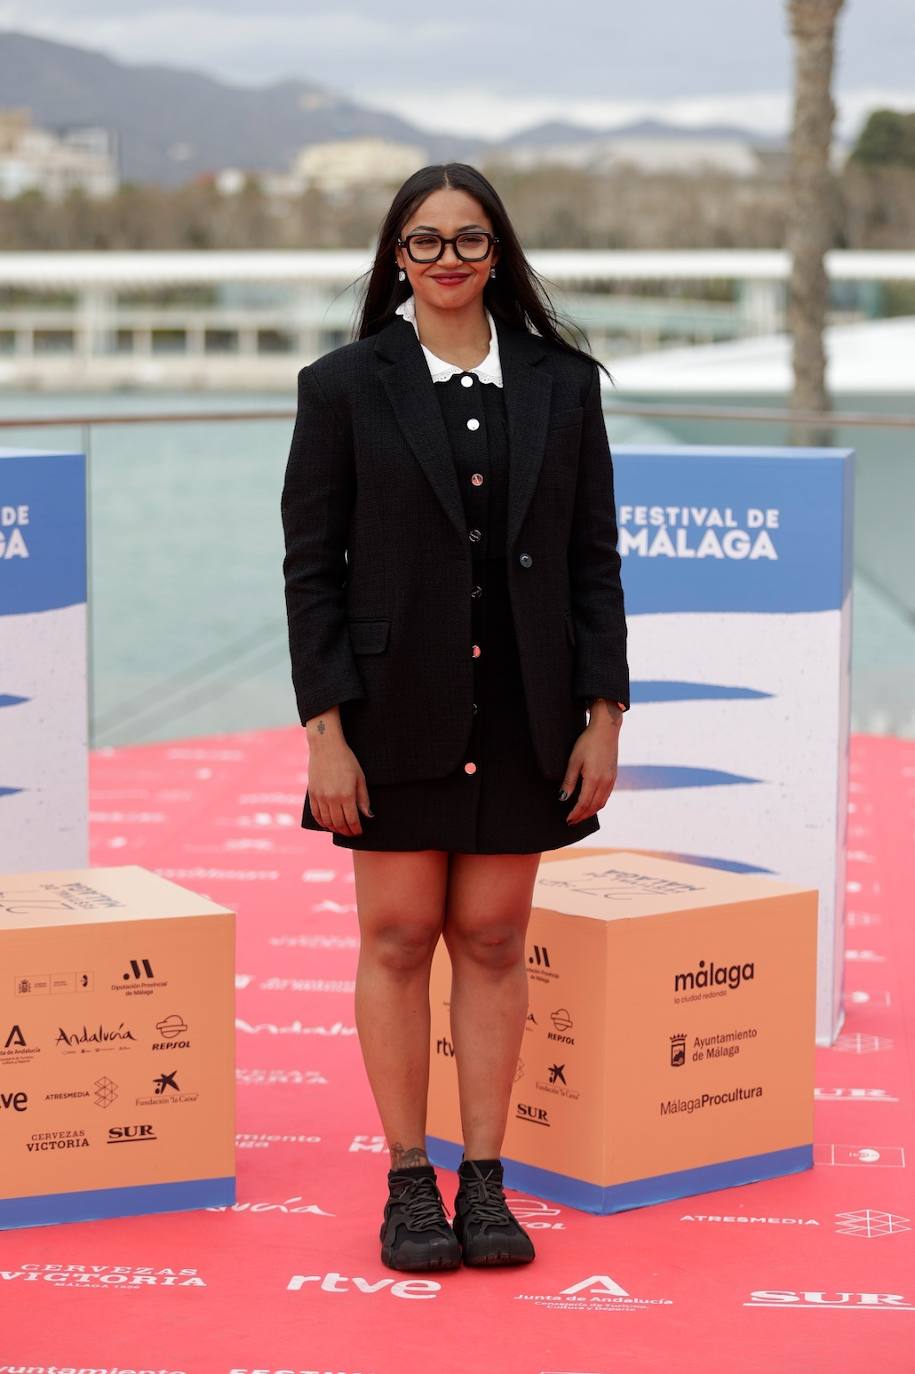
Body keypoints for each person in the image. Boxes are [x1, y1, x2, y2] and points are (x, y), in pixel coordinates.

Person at [280, 163, 629, 1273]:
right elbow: (311, 572)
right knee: (395, 938)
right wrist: (324, 729)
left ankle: (486, 1181)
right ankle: (406, 1181)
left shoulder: (564, 384)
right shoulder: (341, 384)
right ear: (396, 258)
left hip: (527, 708)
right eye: (424, 243)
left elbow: (592, 561)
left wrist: (604, 712)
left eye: (468, 241)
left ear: (498, 254)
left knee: (489, 936)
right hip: (389, 714)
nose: (446, 261)